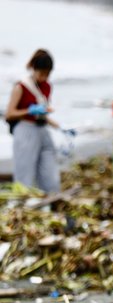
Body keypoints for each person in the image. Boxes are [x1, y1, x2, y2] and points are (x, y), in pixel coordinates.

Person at [5, 49, 60, 194]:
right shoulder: (21, 87)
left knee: (50, 173)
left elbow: (43, 114)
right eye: (42, 74)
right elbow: (9, 114)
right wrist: (29, 111)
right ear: (34, 69)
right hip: (25, 130)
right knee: (25, 175)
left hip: (42, 129)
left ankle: (50, 200)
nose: (44, 78)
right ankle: (24, 207)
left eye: (47, 74)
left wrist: (60, 127)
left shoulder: (47, 87)